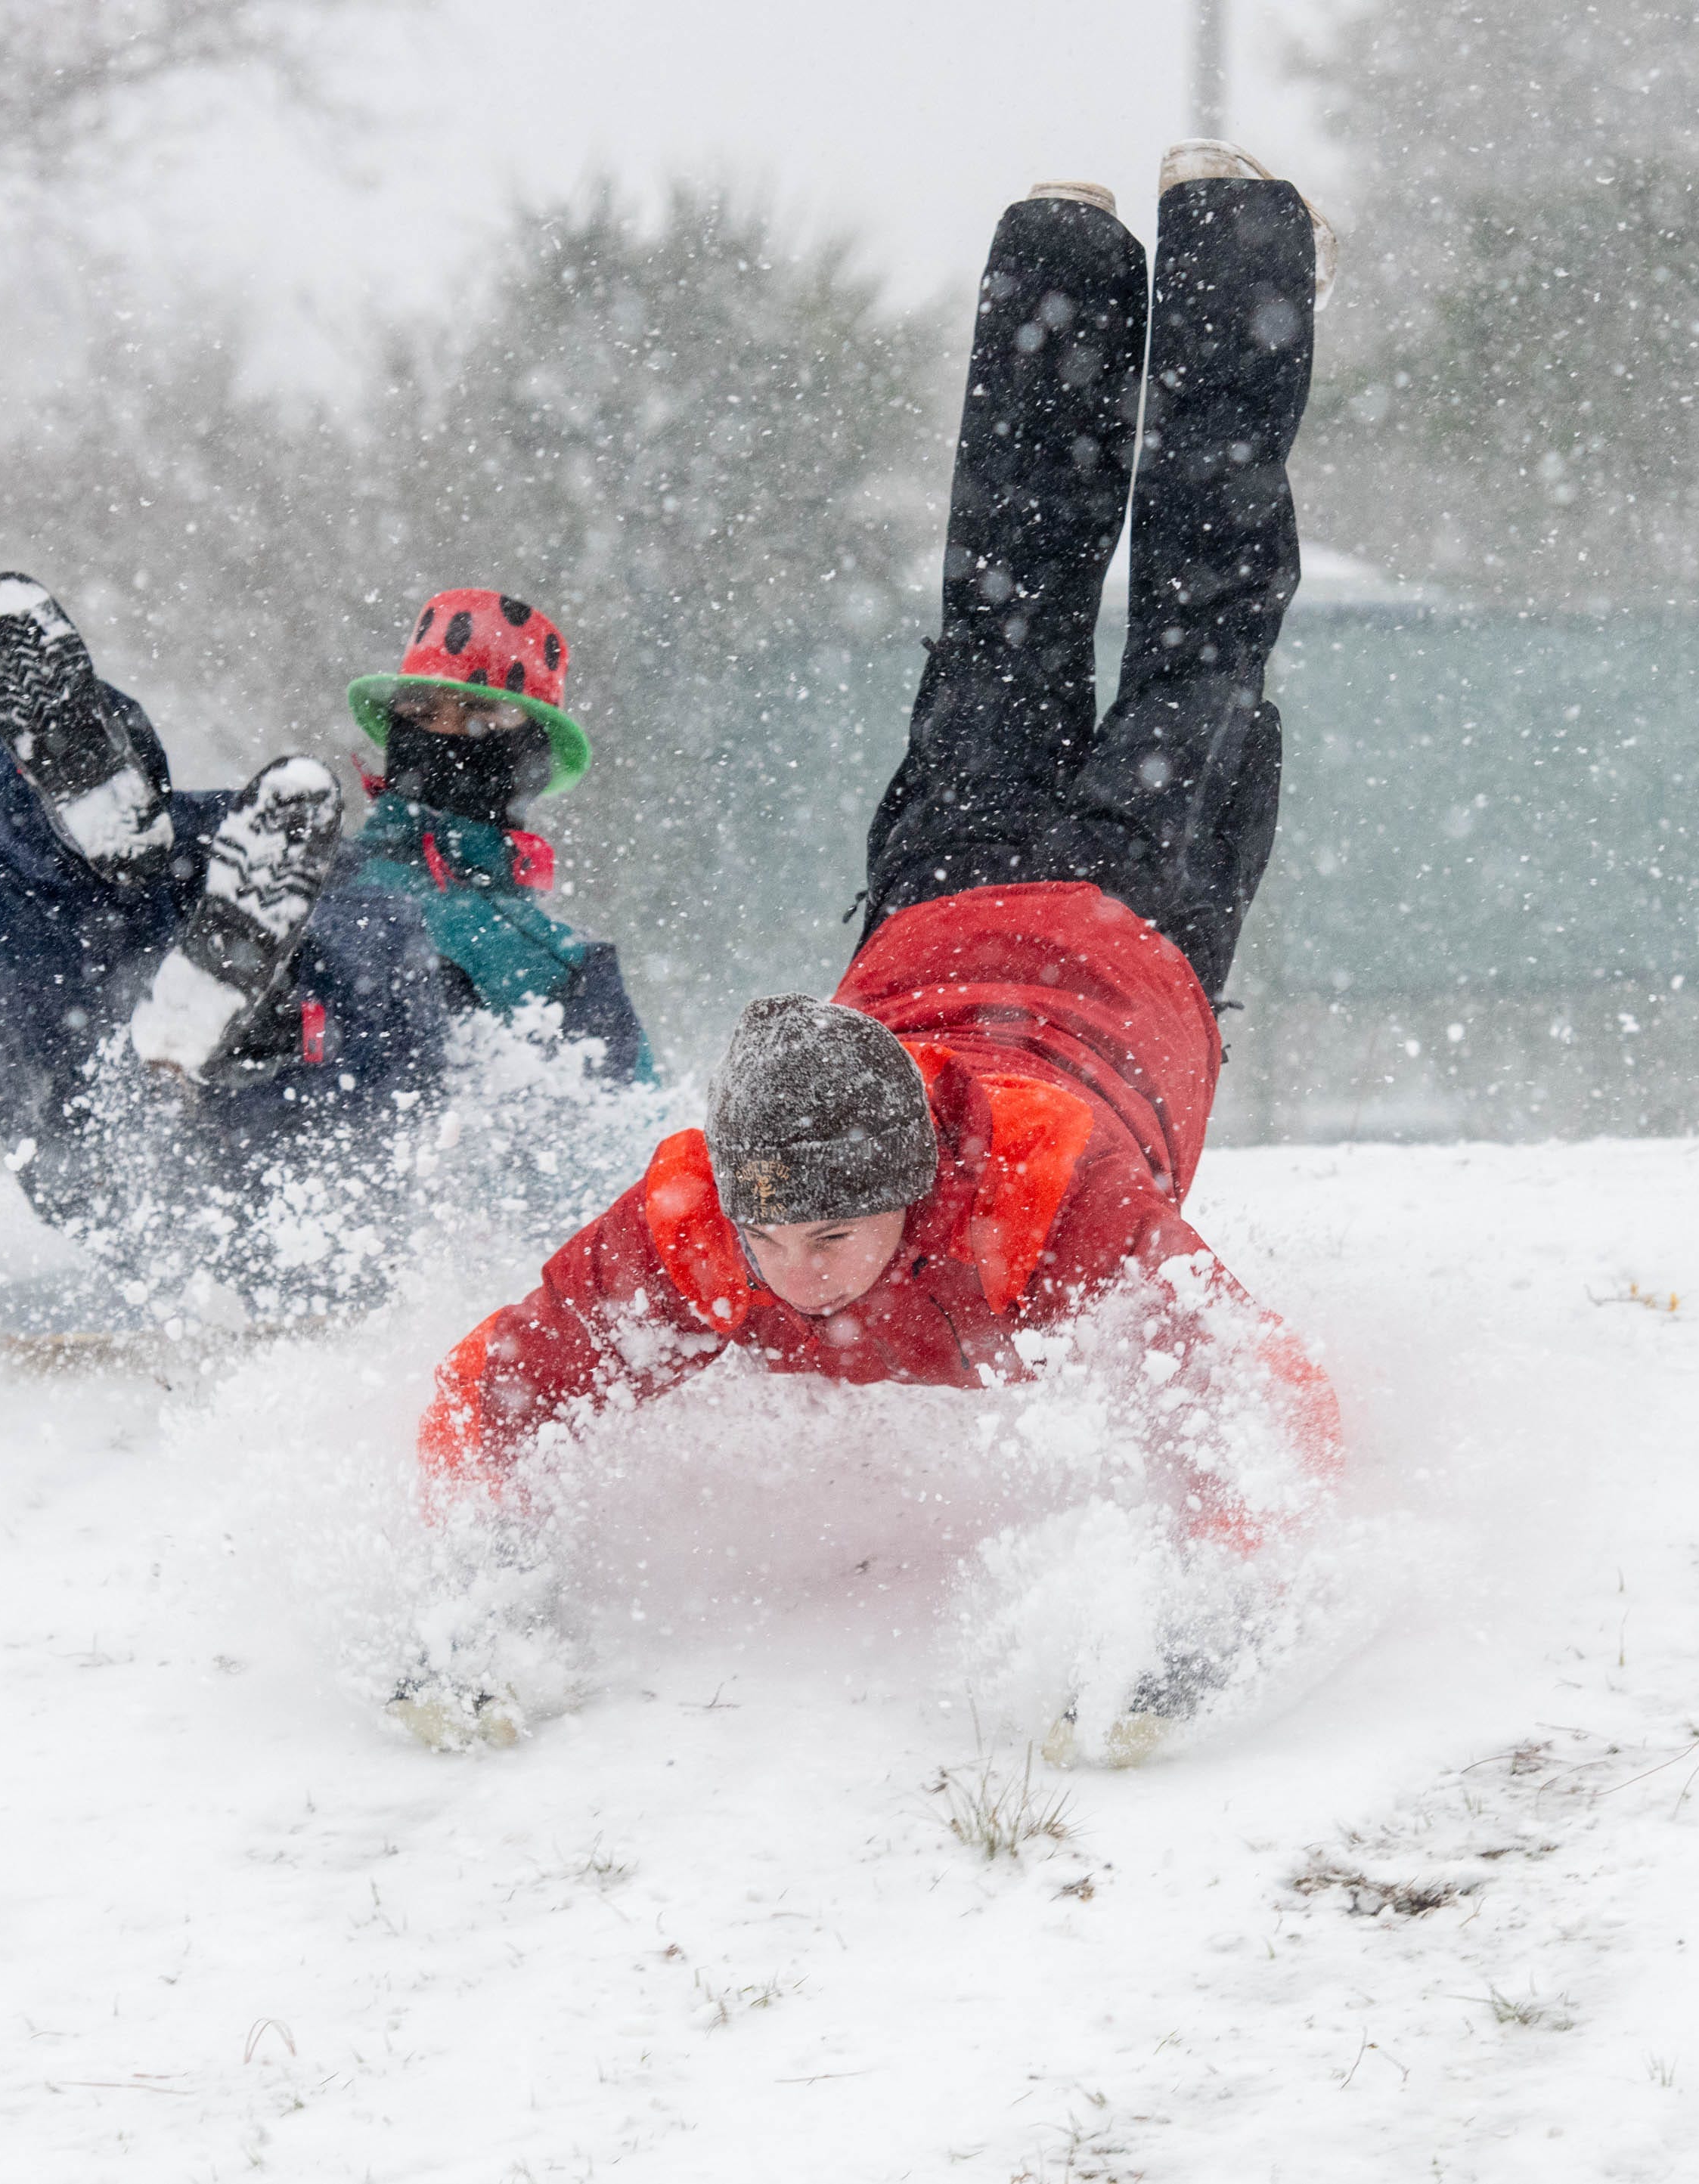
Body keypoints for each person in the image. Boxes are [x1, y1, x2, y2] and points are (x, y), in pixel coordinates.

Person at [403, 143, 1343, 1756]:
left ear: (923, 1175)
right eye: (791, 1228)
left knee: (1102, 620)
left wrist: (1212, 1599)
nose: (817, 1264)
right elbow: (503, 1387)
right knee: (1083, 621)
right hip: (1002, 911)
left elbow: (1252, 1404)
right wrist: (476, 1580)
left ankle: (1205, 230)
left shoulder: (1042, 1203)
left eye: (854, 1220)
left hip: (1108, 930)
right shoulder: (697, 1226)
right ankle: (1068, 248)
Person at [0, 580, 652, 1309]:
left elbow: (616, 1179)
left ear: (533, 756)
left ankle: (243, 1010)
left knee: (380, 945)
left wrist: (315, 1038)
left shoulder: (565, 970)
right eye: (426, 708)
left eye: (480, 720)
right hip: (118, 1162)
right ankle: (53, 764)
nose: (445, 733)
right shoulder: (286, 854)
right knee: (126, 856)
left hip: (347, 1226)